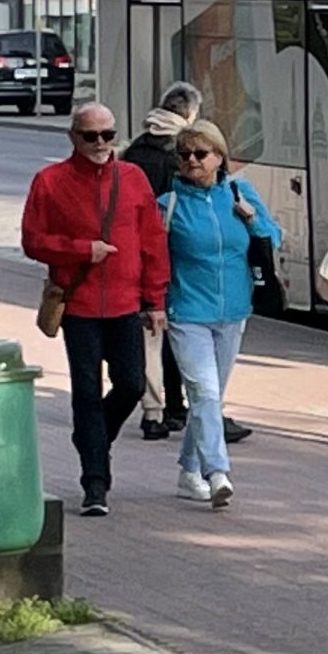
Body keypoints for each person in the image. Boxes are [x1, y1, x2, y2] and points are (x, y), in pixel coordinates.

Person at [21, 103, 171, 518]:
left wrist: (155, 300)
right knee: (86, 391)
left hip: (125, 304)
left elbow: (152, 243)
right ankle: (95, 482)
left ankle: (92, 437)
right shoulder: (50, 181)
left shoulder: (134, 179)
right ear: (73, 136)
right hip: (80, 305)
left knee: (131, 385)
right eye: (91, 136)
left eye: (109, 134)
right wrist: (83, 250)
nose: (101, 144)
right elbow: (33, 241)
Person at [121, 81, 252, 447]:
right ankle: (192, 416)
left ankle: (154, 412)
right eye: (188, 155)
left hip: (142, 262)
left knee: (151, 341)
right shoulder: (180, 152)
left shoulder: (134, 149)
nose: (191, 159)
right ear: (190, 115)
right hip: (176, 272)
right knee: (182, 347)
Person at [158, 119, 280, 507]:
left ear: (219, 156)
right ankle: (217, 471)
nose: (192, 161)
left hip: (234, 309)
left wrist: (252, 219)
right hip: (187, 310)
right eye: (184, 155)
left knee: (209, 397)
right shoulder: (168, 205)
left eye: (200, 153)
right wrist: (153, 303)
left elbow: (273, 237)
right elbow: (153, 257)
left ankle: (188, 470)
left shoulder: (239, 192)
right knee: (205, 393)